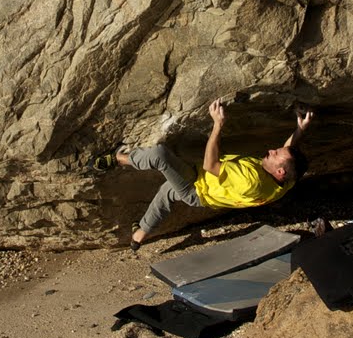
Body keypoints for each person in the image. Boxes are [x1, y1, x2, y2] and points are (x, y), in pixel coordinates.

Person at [98, 100, 313, 252]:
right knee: (166, 194)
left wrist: (217, 125)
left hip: (197, 188)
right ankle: (138, 237)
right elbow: (288, 153)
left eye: (276, 154)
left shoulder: (250, 180)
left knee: (159, 155)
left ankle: (117, 159)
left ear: (279, 171)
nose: (273, 150)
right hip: (208, 191)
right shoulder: (285, 182)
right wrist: (300, 130)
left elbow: (210, 165)